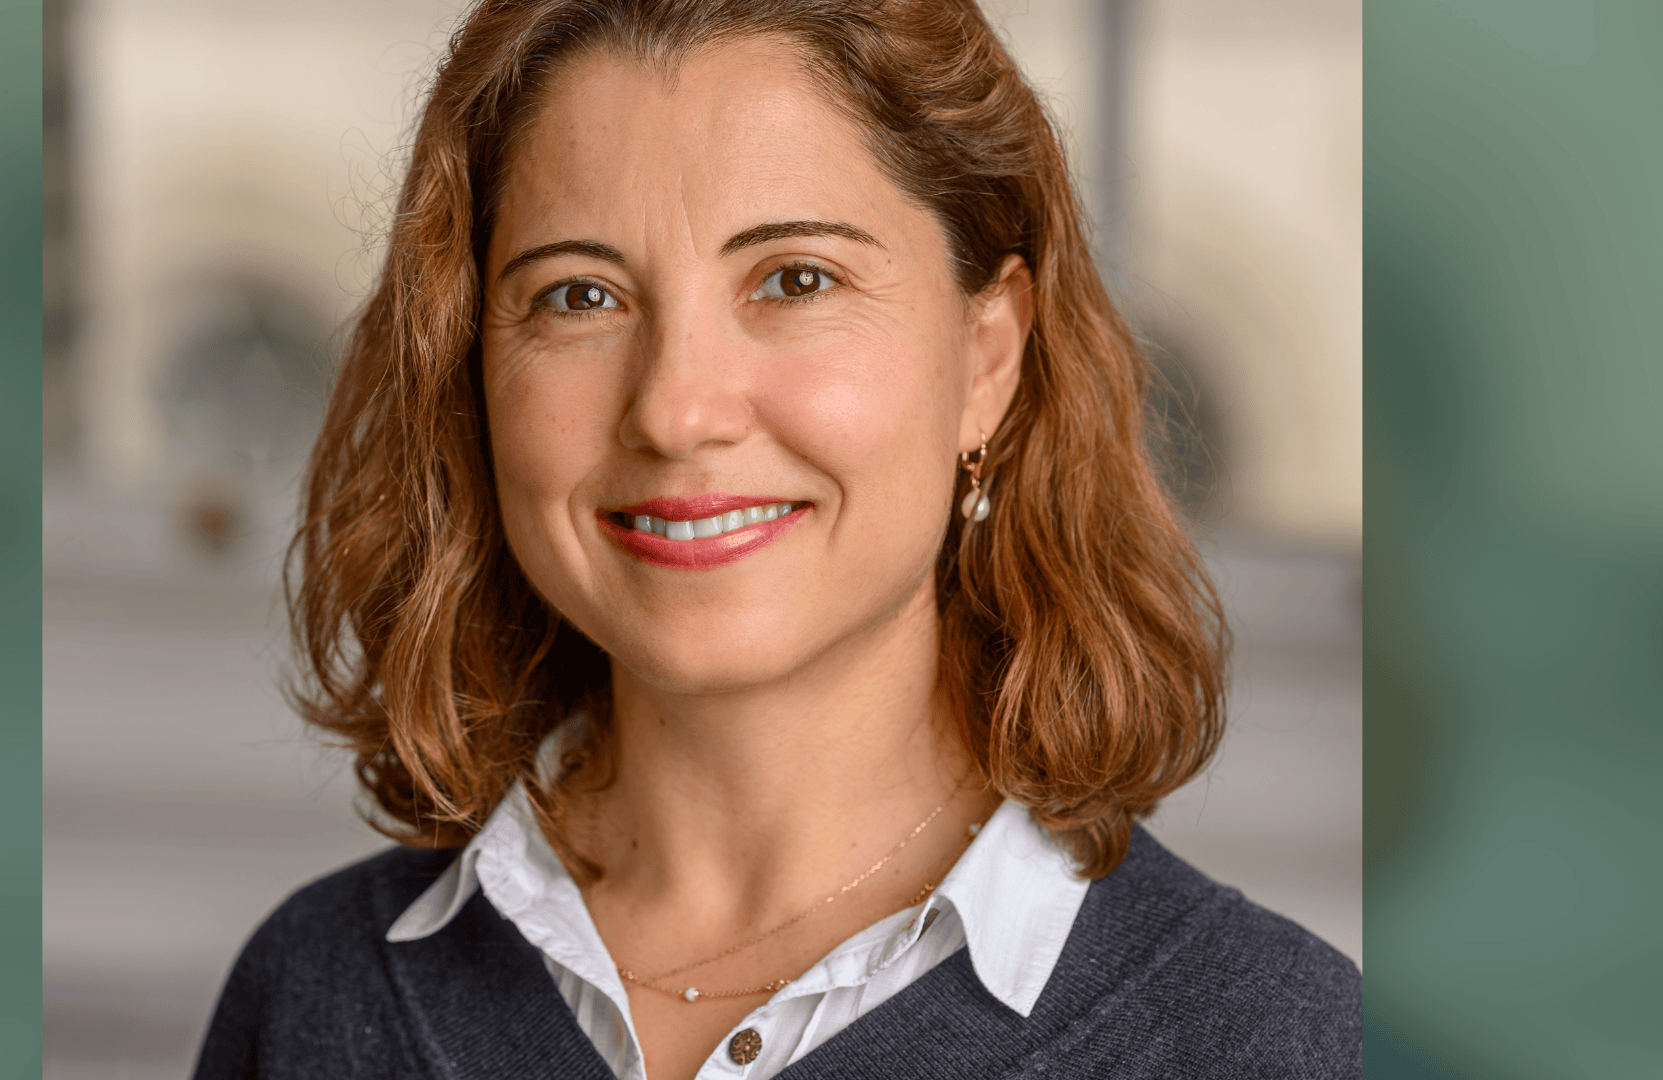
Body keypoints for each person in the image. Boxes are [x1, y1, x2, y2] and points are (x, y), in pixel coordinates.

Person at [193, 1, 1361, 1077]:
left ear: (989, 356)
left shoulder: (1266, 1041)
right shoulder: (313, 998)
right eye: (579, 297)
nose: (675, 409)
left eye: (794, 279)